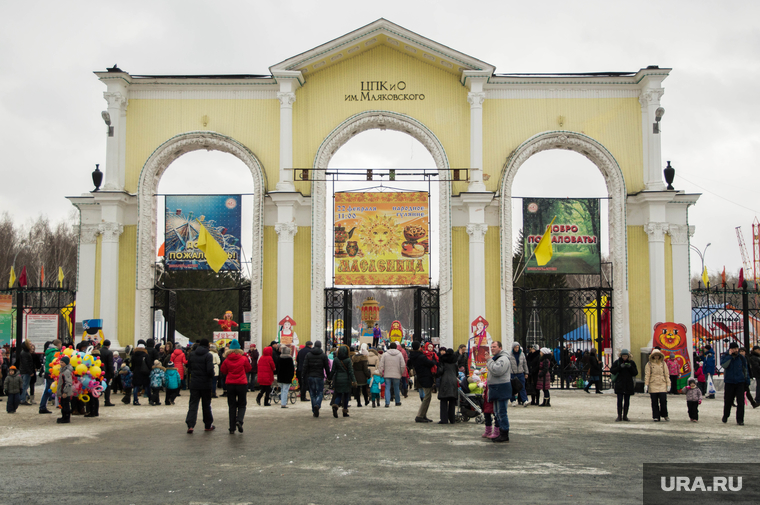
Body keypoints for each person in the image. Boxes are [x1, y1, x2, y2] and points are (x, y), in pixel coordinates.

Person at [220, 339, 251, 433]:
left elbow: (223, 371)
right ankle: (239, 420)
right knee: (242, 404)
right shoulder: (243, 358)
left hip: (230, 384)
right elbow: (249, 368)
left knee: (232, 406)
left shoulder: (226, 360)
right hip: (241, 383)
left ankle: (232, 428)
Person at [185, 338, 215, 434]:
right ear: (207, 346)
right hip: (206, 384)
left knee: (193, 404)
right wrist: (212, 376)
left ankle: (190, 425)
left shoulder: (192, 354)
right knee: (206, 405)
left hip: (194, 383)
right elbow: (210, 370)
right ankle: (207, 424)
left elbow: (189, 367)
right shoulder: (208, 355)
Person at [486, 341, 512, 443]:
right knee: (497, 412)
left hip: (501, 388)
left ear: (500, 348)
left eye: (494, 347)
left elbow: (497, 370)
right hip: (496, 389)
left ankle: (504, 433)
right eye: (491, 347)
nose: (492, 349)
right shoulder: (496, 358)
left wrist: (489, 361)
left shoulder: (503, 359)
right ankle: (501, 433)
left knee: (502, 412)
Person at [721, 342, 749, 425]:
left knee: (741, 402)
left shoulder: (741, 358)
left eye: (737, 349)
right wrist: (729, 356)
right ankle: (726, 416)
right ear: (730, 349)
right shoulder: (725, 356)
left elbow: (745, 369)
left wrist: (747, 381)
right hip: (729, 382)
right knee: (728, 401)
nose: (736, 350)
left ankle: (740, 419)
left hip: (740, 382)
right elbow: (724, 365)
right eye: (734, 349)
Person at [408, 341, 436, 423]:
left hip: (421, 376)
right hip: (425, 376)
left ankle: (423, 415)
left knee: (427, 396)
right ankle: (420, 415)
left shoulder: (413, 356)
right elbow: (430, 363)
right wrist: (434, 361)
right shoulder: (421, 356)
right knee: (427, 396)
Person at [302, 341, 331, 417]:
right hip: (319, 376)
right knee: (320, 392)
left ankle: (314, 408)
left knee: (312, 394)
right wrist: (329, 376)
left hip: (310, 376)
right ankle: (317, 405)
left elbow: (305, 366)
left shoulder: (308, 355)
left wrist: (303, 375)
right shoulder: (323, 355)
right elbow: (326, 367)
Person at [610, 348, 638, 422]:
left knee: (627, 401)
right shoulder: (617, 362)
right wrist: (619, 367)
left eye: (626, 356)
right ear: (621, 356)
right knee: (619, 400)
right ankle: (619, 416)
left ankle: (625, 415)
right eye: (623, 356)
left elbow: (635, 373)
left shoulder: (631, 363)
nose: (625, 358)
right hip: (620, 384)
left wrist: (630, 367)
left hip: (628, 384)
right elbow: (612, 370)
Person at [329, 345, 357, 418]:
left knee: (338, 394)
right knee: (346, 395)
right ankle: (345, 411)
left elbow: (333, 370)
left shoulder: (336, 359)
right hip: (346, 379)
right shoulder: (348, 360)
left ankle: (335, 405)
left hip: (338, 379)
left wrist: (329, 378)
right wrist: (354, 380)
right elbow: (351, 371)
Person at [644, 349, 670, 422]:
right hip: (653, 383)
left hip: (662, 383)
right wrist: (646, 384)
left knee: (663, 400)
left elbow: (666, 374)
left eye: (658, 355)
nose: (656, 357)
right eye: (655, 355)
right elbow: (647, 375)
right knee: (654, 401)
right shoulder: (649, 364)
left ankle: (664, 414)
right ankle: (656, 416)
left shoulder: (663, 363)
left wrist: (668, 384)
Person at [436, 348, 459, 424]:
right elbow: (457, 373)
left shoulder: (443, 361)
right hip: (453, 381)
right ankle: (452, 419)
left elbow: (440, 371)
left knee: (444, 401)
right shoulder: (454, 362)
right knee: (452, 401)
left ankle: (444, 419)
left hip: (445, 381)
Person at [378, 342, 405, 407]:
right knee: (396, 387)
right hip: (397, 374)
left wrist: (380, 372)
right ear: (396, 347)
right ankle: (397, 401)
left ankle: (387, 402)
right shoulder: (399, 354)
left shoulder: (385, 354)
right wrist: (401, 373)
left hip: (387, 373)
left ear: (389, 347)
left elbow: (381, 364)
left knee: (387, 387)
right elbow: (403, 365)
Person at [39, 339, 62, 414]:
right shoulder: (54, 352)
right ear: (58, 345)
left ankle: (42, 406)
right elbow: (55, 361)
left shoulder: (48, 351)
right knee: (51, 390)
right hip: (52, 373)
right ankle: (43, 407)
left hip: (47, 372)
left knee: (47, 390)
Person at [56, 357, 74, 423]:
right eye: (60, 362)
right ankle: (64, 417)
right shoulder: (63, 370)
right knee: (63, 404)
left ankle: (66, 418)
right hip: (62, 390)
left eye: (62, 362)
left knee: (66, 405)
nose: (61, 363)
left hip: (65, 391)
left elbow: (68, 382)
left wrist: (65, 392)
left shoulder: (66, 371)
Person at [99, 339, 115, 407]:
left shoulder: (99, 351)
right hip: (106, 372)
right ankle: (107, 401)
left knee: (98, 385)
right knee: (107, 386)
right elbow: (110, 364)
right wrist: (112, 373)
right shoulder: (109, 352)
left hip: (98, 371)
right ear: (109, 345)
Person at [18, 340, 34, 405]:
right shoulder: (25, 353)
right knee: (24, 386)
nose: (31, 345)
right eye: (30, 344)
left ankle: (23, 397)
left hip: (24, 371)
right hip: (26, 372)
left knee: (24, 385)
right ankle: (22, 399)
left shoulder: (24, 352)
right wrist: (30, 372)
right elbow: (26, 364)